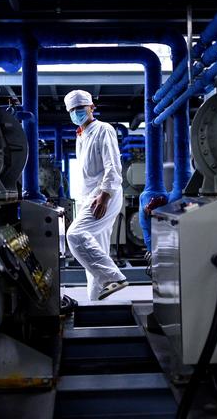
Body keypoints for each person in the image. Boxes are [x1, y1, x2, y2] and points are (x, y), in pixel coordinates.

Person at [64, 89, 128, 300]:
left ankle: (114, 277)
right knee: (94, 259)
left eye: (80, 108)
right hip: (88, 198)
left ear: (92, 107)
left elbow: (113, 166)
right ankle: (96, 305)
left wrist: (104, 195)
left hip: (102, 196)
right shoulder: (81, 135)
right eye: (72, 110)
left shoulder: (103, 129)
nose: (76, 113)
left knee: (74, 235)